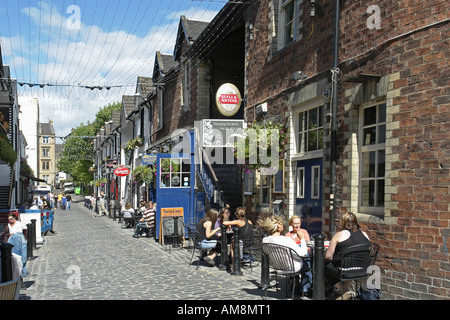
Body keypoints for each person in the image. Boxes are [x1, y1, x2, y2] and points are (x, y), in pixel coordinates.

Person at [324, 212, 371, 298]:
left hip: (345, 270)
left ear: (343, 222)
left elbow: (328, 256)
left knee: (322, 265)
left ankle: (344, 290)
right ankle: (345, 290)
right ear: (356, 222)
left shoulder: (340, 234)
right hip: (363, 269)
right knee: (348, 265)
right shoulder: (364, 234)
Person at [285, 215, 312, 296]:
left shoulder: (304, 232)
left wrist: (301, 239)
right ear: (291, 224)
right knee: (307, 265)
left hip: (303, 256)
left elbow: (308, 246)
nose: (297, 225)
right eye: (295, 223)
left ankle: (304, 289)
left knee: (306, 261)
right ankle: (302, 286)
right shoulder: (288, 235)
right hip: (292, 259)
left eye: (298, 223)